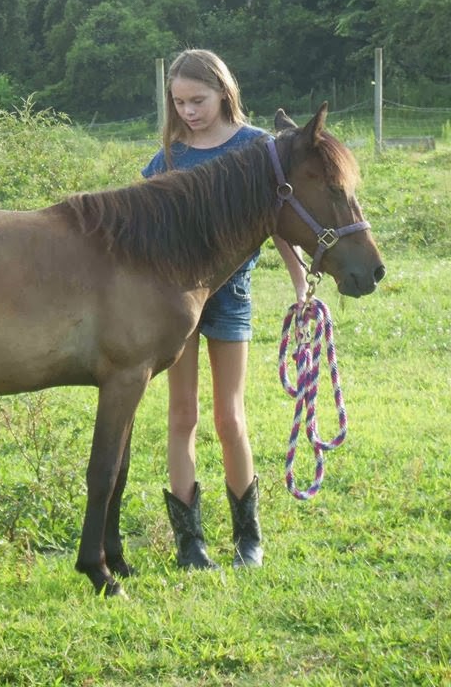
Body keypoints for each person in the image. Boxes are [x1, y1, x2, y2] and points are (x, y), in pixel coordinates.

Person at [142, 49, 308, 569]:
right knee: (181, 414)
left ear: (223, 91)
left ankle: (248, 537)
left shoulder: (258, 146)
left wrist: (301, 281)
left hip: (230, 297)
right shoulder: (170, 156)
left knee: (229, 416)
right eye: (179, 102)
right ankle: (190, 543)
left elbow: (280, 218)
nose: (189, 111)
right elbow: (141, 215)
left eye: (198, 100)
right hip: (176, 301)